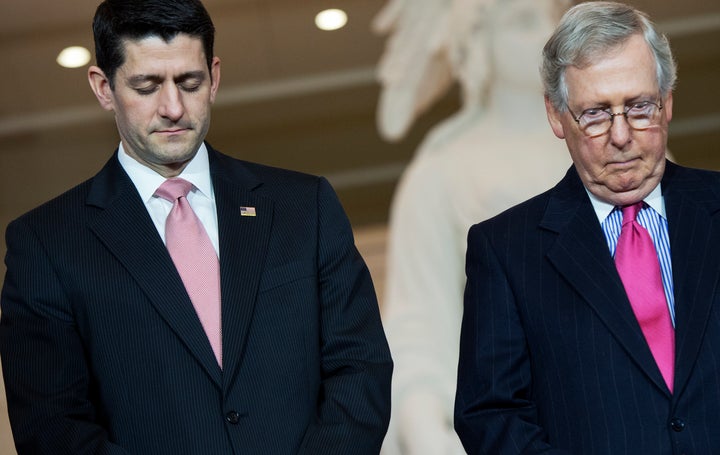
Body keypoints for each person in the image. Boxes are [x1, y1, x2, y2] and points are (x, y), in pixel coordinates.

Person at [0, 0, 392, 453]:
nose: (173, 108)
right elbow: (53, 428)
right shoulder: (46, 244)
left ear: (215, 77)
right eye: (146, 86)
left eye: (189, 82)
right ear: (103, 87)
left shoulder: (304, 207)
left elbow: (359, 367)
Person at [455, 1, 720, 453]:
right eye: (595, 114)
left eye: (640, 107)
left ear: (668, 102)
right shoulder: (504, 249)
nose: (621, 136)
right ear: (557, 117)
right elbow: (492, 415)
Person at [376, 1, 570, 453]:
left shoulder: (618, 147)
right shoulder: (443, 174)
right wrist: (423, 422)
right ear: (477, 41)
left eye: (552, 15)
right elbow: (419, 322)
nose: (547, 33)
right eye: (522, 22)